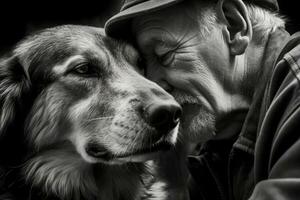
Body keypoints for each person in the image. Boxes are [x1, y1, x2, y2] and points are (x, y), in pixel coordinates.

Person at [105, 0, 300, 199]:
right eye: (144, 69)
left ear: (234, 27)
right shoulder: (219, 150)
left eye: (165, 55)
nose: (154, 87)